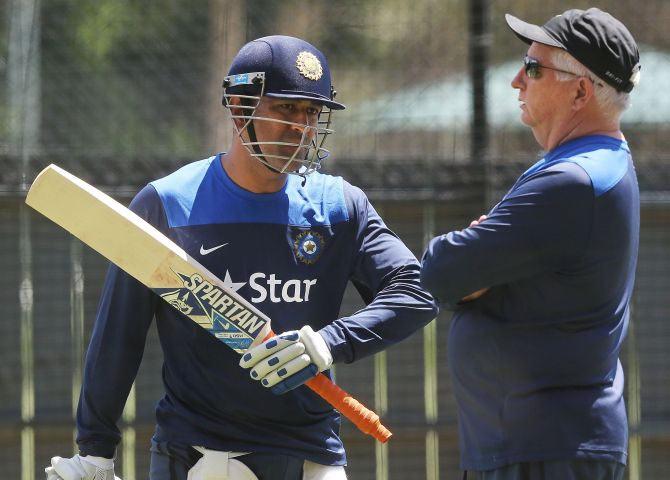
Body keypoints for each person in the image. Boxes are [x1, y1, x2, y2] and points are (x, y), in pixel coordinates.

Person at [45, 35, 437, 480]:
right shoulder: (170, 203)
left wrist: (329, 342)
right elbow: (119, 336)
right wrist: (95, 452)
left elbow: (418, 291)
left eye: (311, 112)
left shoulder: (339, 206)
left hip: (316, 456)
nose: (301, 127)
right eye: (286, 109)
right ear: (237, 106)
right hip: (200, 456)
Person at [420, 8, 640, 480]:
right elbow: (460, 275)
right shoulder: (583, 165)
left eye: (535, 68)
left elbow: (439, 270)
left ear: (581, 91)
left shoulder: (573, 180)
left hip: (548, 452)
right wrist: (474, 272)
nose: (517, 79)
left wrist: (471, 269)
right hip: (540, 446)